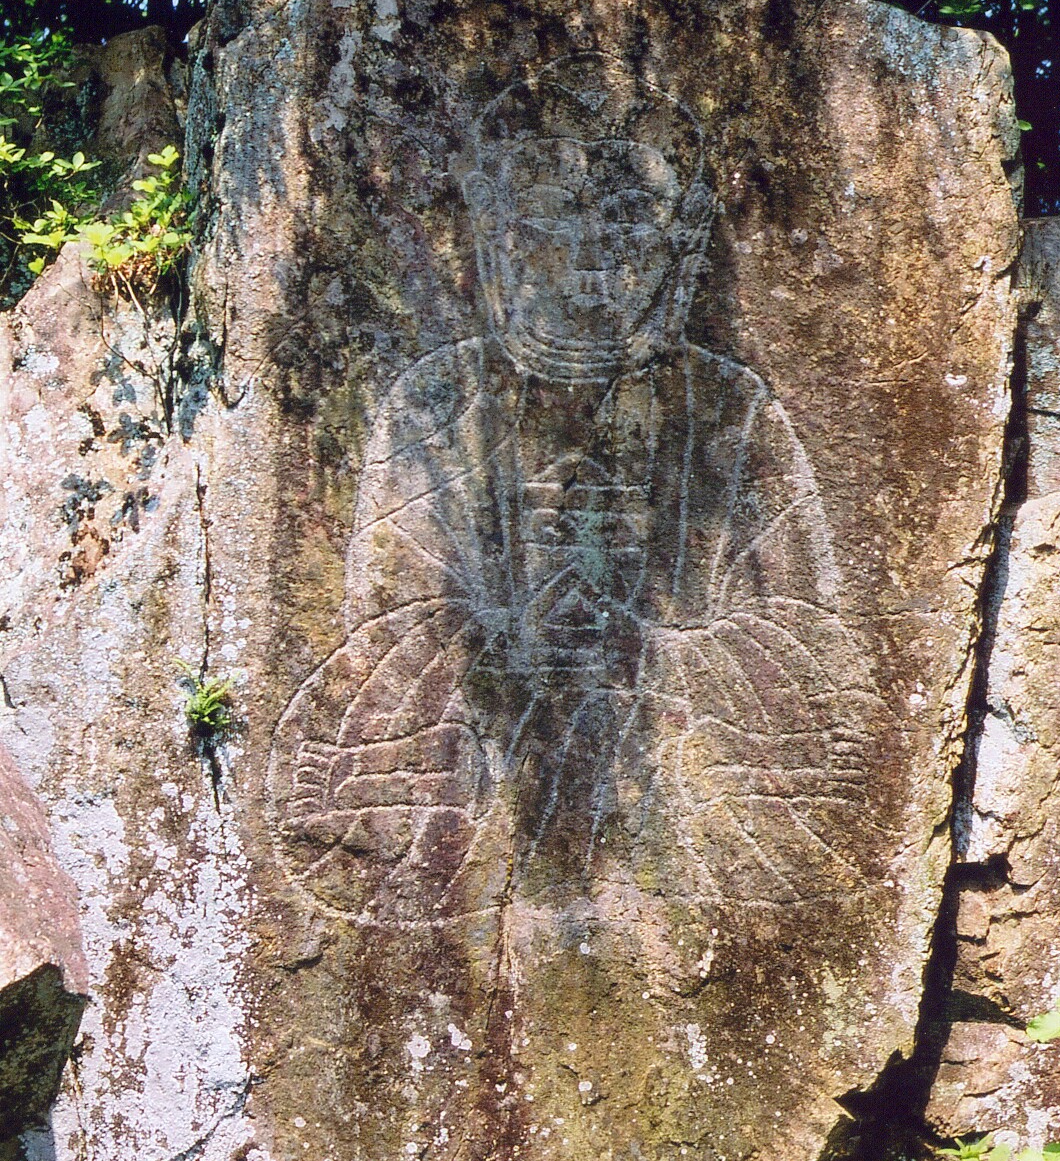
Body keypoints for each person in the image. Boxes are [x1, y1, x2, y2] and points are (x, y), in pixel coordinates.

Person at [268, 55, 872, 926]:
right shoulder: (438, 404)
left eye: (628, 219)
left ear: (684, 241)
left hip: (692, 775)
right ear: (490, 232)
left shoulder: (731, 409)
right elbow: (379, 635)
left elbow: (814, 651)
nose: (589, 255)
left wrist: (650, 649)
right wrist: (512, 646)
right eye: (550, 216)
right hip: (481, 774)